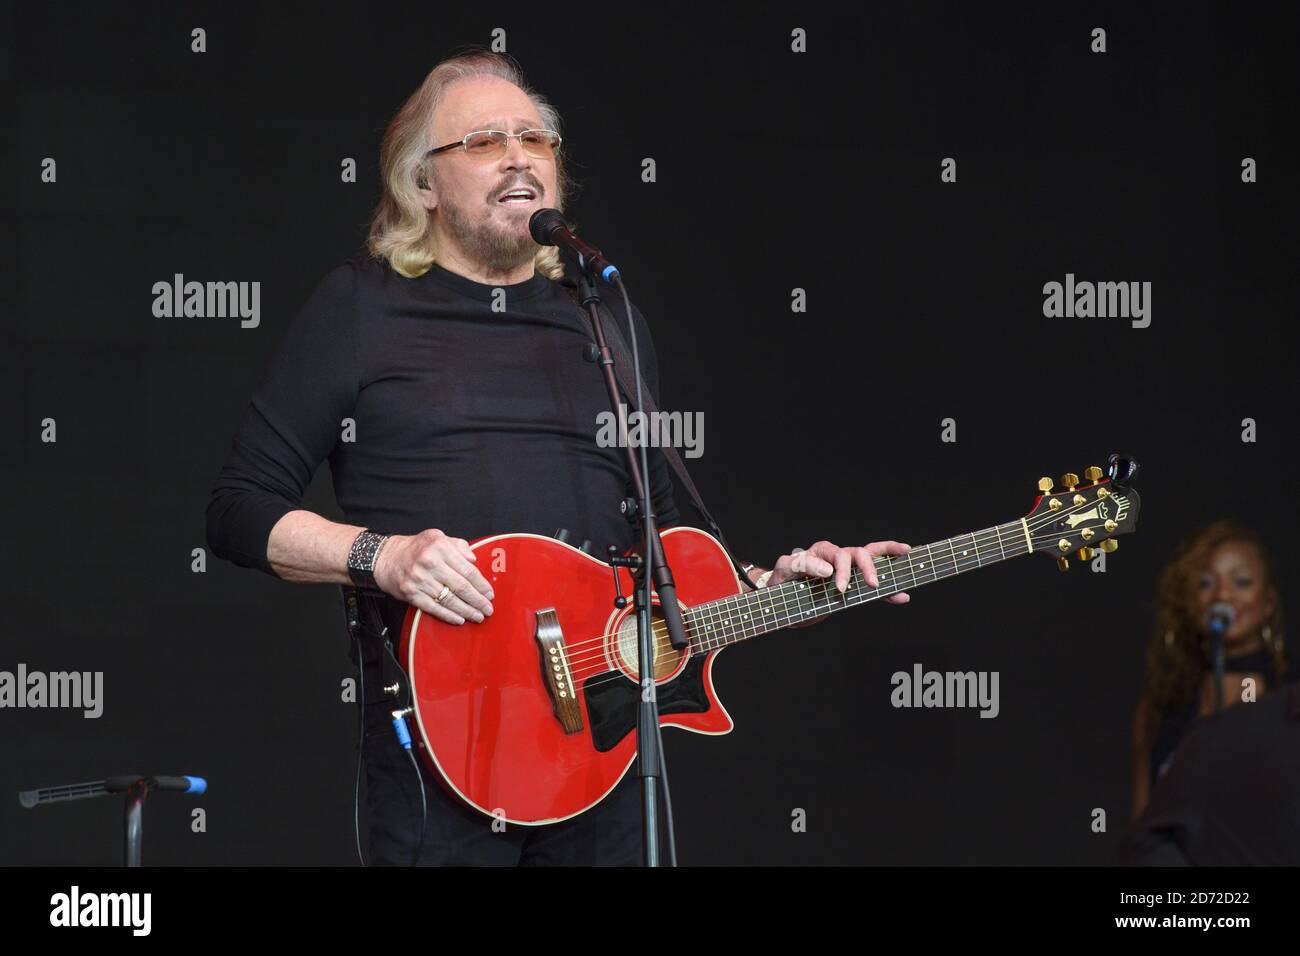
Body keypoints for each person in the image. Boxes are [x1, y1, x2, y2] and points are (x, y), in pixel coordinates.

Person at [204, 49, 911, 866]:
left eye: (534, 139)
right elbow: (238, 508)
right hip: (448, 744)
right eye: (481, 141)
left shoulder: (604, 319)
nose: (517, 156)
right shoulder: (360, 308)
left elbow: (665, 536)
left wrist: (771, 584)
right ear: (421, 186)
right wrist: (382, 556)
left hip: (604, 742)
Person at [1130, 520, 1290, 821]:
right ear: (1190, 601)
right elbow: (1141, 826)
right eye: (1205, 583)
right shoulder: (1161, 705)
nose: (1223, 596)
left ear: (1268, 602)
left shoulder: (1288, 699)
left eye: (1241, 581)